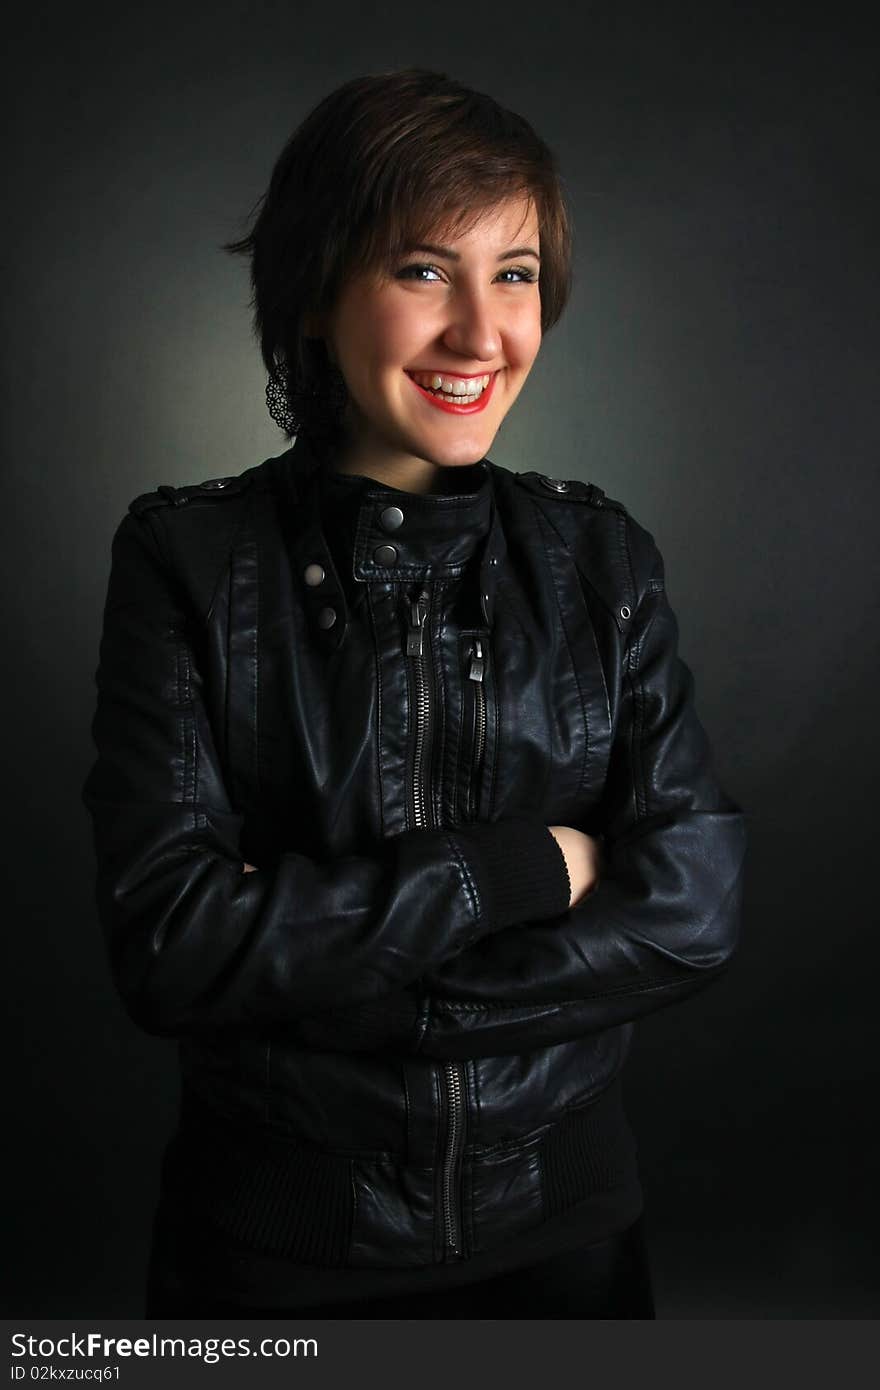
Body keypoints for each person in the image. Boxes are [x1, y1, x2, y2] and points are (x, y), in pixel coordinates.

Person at [81, 68, 747, 1319]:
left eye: (516, 273)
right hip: (274, 1268)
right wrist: (519, 875)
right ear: (317, 289)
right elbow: (171, 946)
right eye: (424, 270)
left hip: (572, 1246)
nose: (483, 336)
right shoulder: (188, 561)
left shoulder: (601, 559)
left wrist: (317, 969)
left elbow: (694, 909)